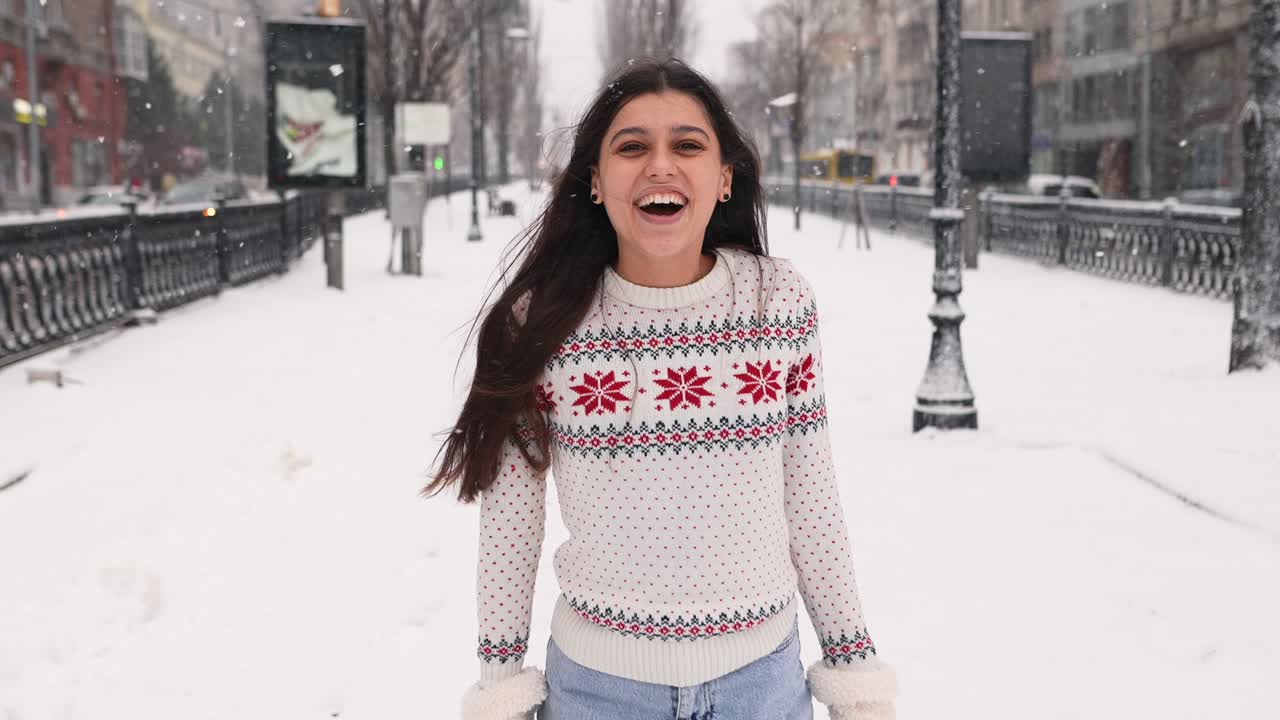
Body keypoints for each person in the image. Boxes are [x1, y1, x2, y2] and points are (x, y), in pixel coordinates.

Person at [425, 58, 897, 720]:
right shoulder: (540, 324)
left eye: (687, 145)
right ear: (594, 180)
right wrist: (501, 681)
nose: (660, 166)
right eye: (631, 147)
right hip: (598, 692)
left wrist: (854, 671)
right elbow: (512, 515)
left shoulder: (777, 301)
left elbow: (810, 492)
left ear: (723, 177)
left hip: (760, 689)